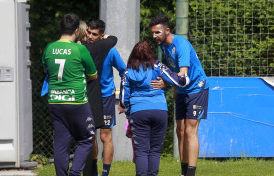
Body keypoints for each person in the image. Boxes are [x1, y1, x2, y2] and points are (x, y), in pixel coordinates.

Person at [149, 14, 209, 176]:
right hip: (182, 90)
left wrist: (168, 83)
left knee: (190, 131)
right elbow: (175, 72)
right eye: (153, 33)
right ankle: (183, 172)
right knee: (180, 131)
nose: (154, 36)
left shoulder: (180, 44)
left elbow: (183, 75)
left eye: (158, 33)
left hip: (197, 88)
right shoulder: (162, 45)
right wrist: (175, 88)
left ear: (167, 30)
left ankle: (190, 173)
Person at [119, 41, 190, 176]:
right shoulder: (158, 66)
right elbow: (179, 81)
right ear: (151, 52)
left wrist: (128, 111)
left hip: (138, 113)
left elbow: (123, 99)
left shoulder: (128, 72)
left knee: (141, 151)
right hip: (159, 111)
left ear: (133, 54)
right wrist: (185, 78)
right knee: (155, 150)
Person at [42, 13, 97, 176]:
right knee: (87, 137)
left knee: (60, 143)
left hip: (56, 101)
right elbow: (93, 74)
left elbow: (47, 70)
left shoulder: (49, 48)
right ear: (76, 30)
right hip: (77, 101)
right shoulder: (79, 49)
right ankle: (74, 173)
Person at [83, 19, 125, 176]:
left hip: (106, 97)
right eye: (88, 32)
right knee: (90, 135)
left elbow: (124, 71)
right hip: (88, 96)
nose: (90, 36)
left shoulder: (110, 51)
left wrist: (123, 97)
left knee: (105, 136)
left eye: (94, 34)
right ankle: (92, 170)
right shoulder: (83, 49)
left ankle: (105, 173)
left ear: (101, 36)